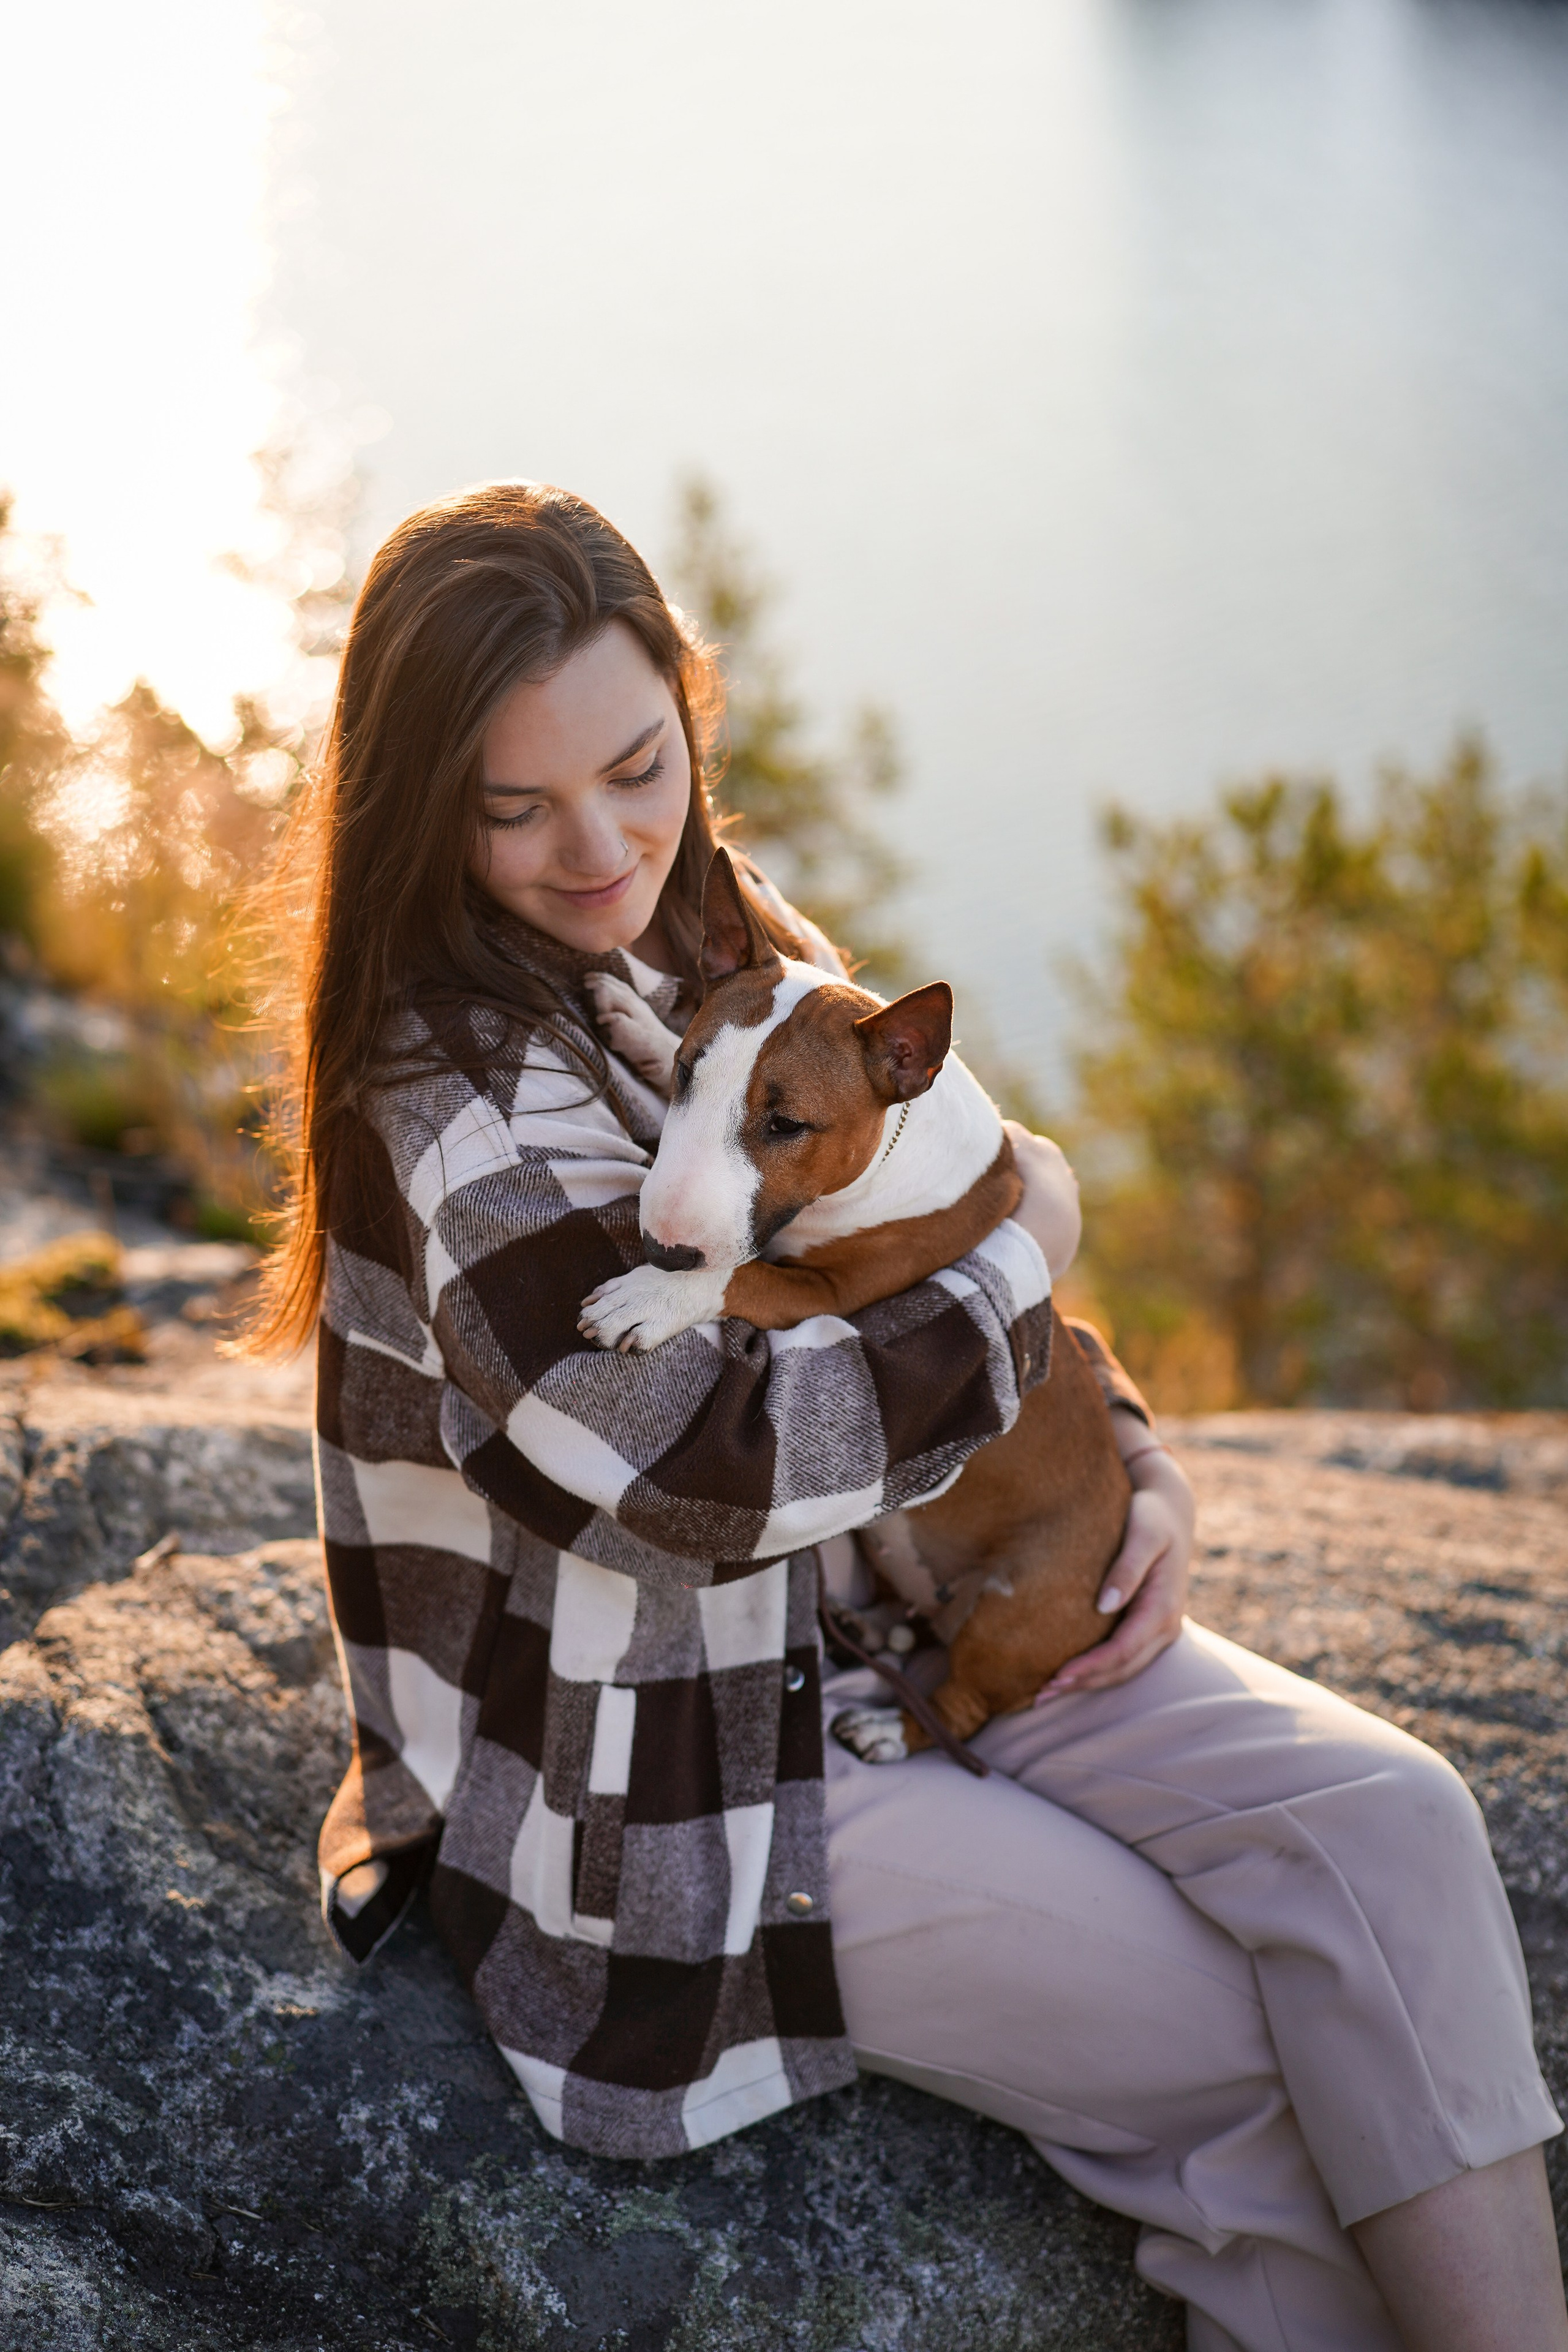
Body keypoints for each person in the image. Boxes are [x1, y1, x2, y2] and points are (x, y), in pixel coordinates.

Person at [253, 480, 1565, 2352]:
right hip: (661, 1771)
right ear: (422, 810)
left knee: (1399, 1833)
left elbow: (935, 1200)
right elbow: (700, 1471)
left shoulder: (713, 920)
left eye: (638, 765)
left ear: (689, 712)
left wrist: (1122, 1443)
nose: (601, 844)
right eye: (512, 806)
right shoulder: (446, 1091)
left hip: (886, 1610)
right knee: (1248, 2051)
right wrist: (1030, 1248)